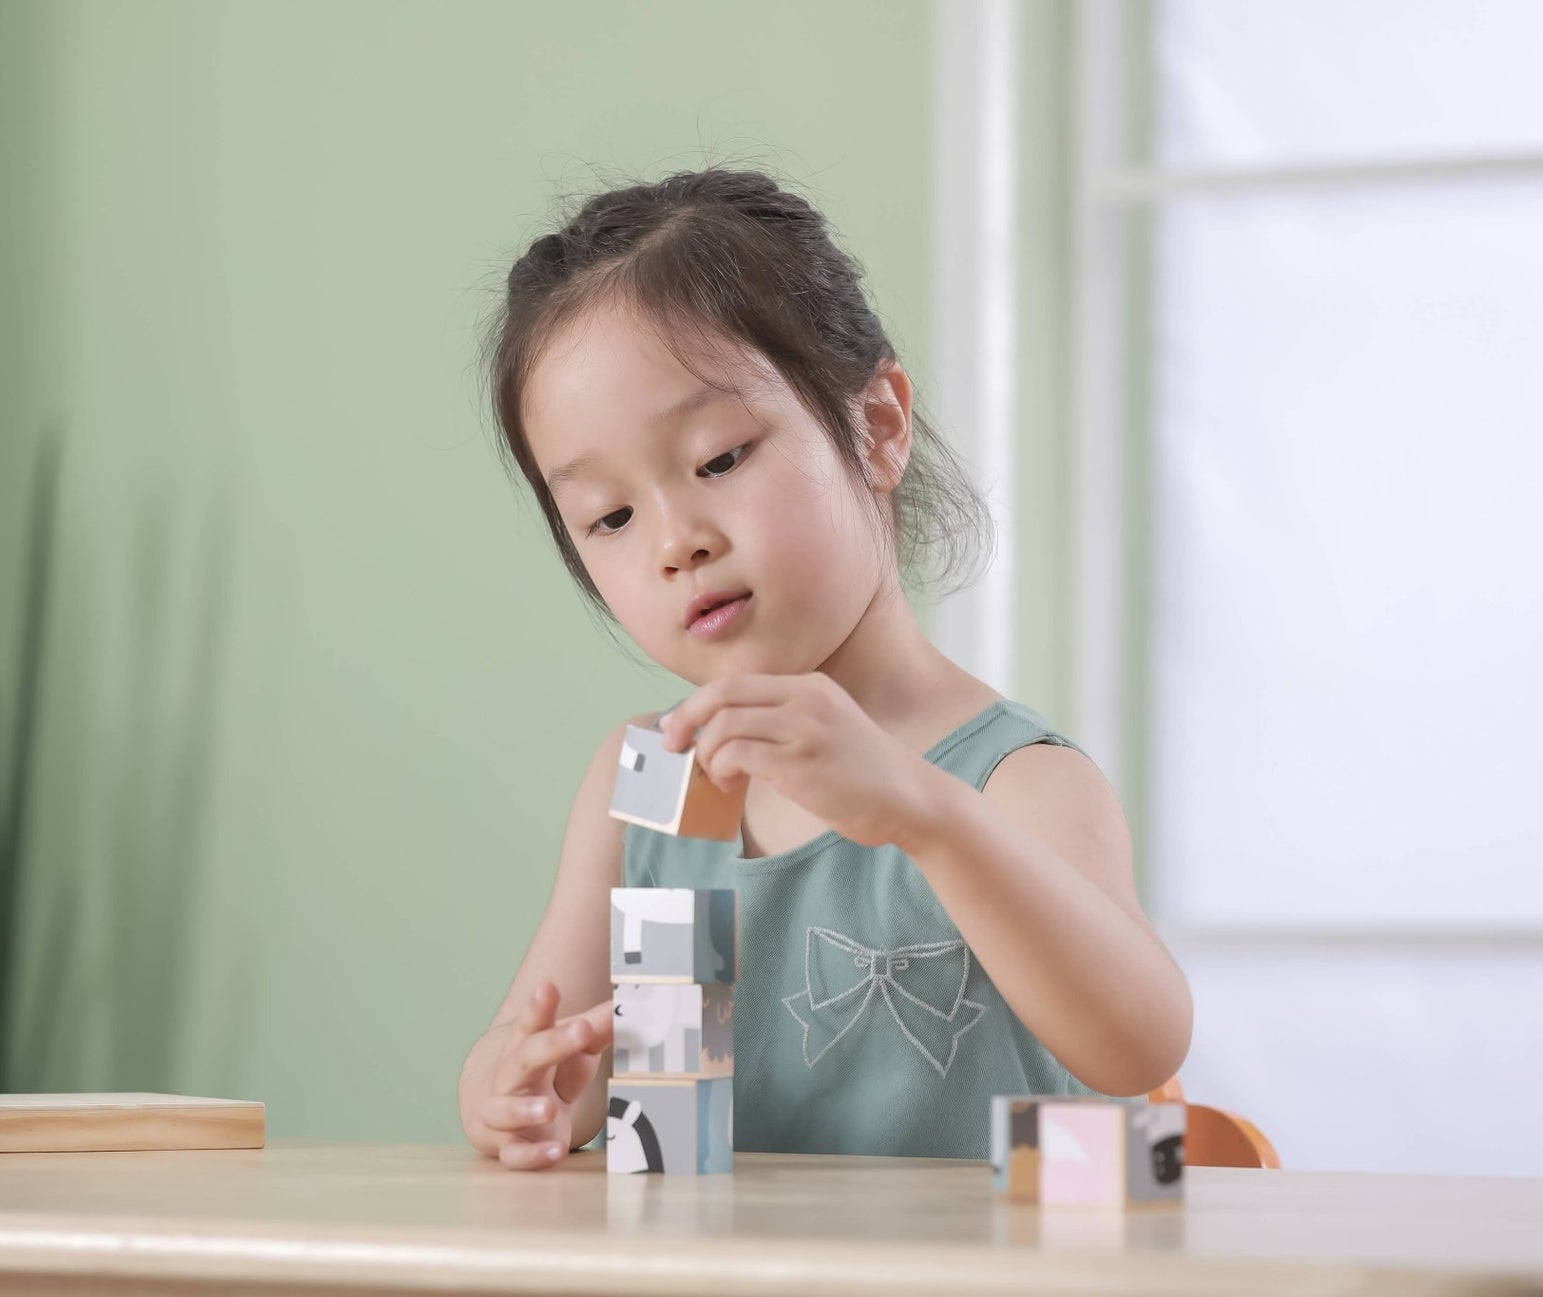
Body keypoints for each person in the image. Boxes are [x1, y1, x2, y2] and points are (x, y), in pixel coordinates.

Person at [457, 169, 1191, 1170]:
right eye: (610, 517)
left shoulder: (1009, 778)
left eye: (718, 458)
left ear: (876, 426)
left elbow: (1138, 1044)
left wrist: (920, 813)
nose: (675, 540)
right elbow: (567, 1066)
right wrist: (511, 1087)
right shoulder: (654, 784)